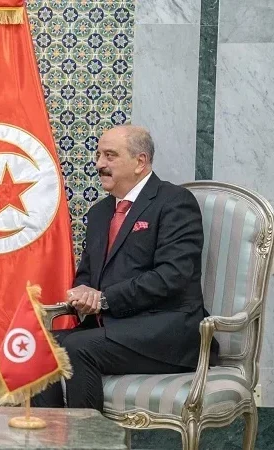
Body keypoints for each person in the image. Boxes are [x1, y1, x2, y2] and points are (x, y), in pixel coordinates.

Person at [33, 125, 218, 411]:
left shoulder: (174, 202)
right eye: (98, 155)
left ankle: (88, 436)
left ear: (140, 162)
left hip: (165, 332)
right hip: (112, 330)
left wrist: (105, 299)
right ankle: (54, 434)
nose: (99, 164)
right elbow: (88, 274)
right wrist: (82, 291)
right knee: (38, 348)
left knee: (78, 348)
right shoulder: (99, 213)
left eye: (110, 155)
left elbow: (173, 276)